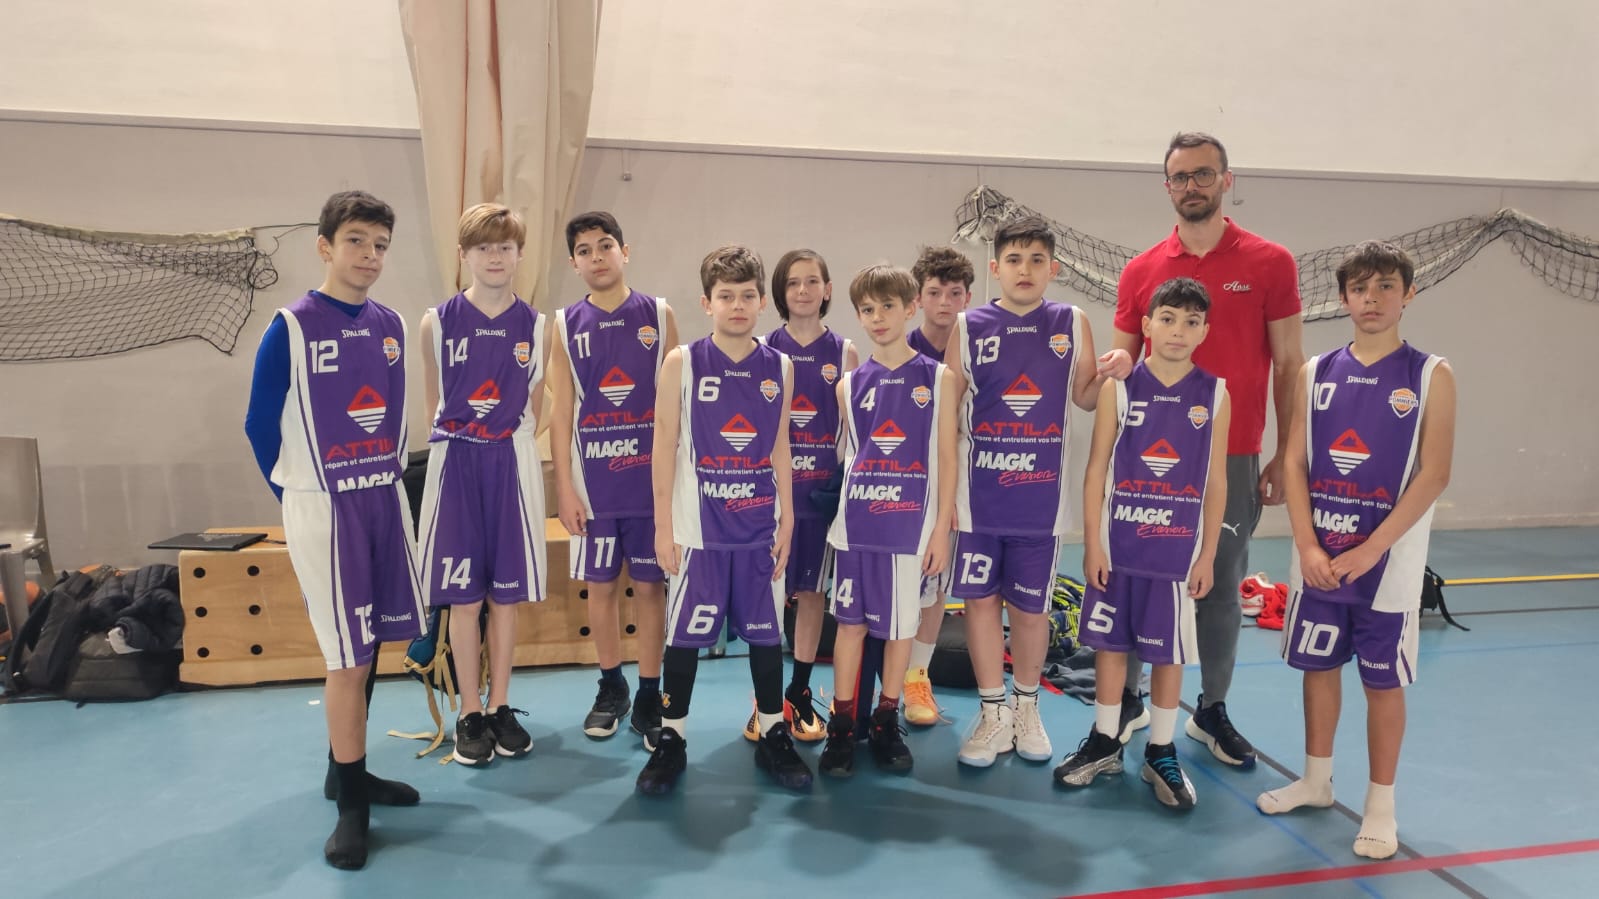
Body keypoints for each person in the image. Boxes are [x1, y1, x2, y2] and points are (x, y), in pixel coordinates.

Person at [243, 190, 426, 869]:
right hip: (323, 505)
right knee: (346, 658)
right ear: (324, 245)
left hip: (381, 497)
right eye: (355, 240)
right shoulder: (290, 327)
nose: (369, 255)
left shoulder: (391, 325)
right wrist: (298, 497)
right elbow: (259, 425)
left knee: (370, 643)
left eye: (380, 245)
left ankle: (342, 770)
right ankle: (353, 807)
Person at [1112, 132, 1305, 768]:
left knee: (1220, 583)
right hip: (1147, 462)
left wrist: (1285, 452)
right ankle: (1129, 700)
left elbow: (1289, 363)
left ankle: (1212, 710)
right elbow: (1121, 370)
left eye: (1203, 174)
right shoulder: (1141, 270)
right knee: (1139, 578)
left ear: (1227, 180)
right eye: (1180, 177)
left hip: (1233, 454)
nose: (1191, 186)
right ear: (1167, 186)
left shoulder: (1271, 262)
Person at [1256, 241, 1455, 859]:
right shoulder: (1316, 372)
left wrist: (1373, 550)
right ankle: (1316, 781)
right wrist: (1306, 544)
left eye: (1386, 286)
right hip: (1319, 557)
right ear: (1343, 298)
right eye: (1360, 288)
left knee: (1382, 683)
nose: (1373, 299)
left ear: (1408, 294)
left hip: (1386, 567)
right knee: (1317, 669)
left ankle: (1379, 807)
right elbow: (1293, 462)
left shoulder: (1431, 374)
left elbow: (1434, 473)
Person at [946, 216, 1130, 768]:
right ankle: (992, 711)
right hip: (978, 499)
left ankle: (1027, 707)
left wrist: (1117, 368)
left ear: (1053, 269)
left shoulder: (1070, 321)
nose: (1024, 270)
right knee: (980, 604)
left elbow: (1086, 397)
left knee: (1030, 611)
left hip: (1040, 502)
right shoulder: (969, 325)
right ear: (995, 268)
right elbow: (946, 413)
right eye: (1014, 260)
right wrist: (944, 498)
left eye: (1036, 260)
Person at [635, 245, 812, 795]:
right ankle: (671, 738)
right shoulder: (682, 362)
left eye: (747, 295)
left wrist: (788, 521)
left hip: (761, 527)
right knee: (684, 637)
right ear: (706, 303)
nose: (737, 305)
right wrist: (662, 527)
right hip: (698, 529)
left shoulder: (780, 366)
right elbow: (663, 446)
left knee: (766, 634)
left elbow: (780, 446)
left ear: (762, 302)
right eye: (726, 296)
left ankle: (774, 731)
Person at [1052, 277, 1229, 810]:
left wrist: (1208, 554)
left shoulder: (1215, 394)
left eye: (1191, 322)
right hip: (1119, 546)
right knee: (1110, 646)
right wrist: (1092, 544)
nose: (1178, 331)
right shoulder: (1120, 388)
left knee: (1167, 654)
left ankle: (1161, 750)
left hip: (1176, 554)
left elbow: (1215, 481)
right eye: (1168, 319)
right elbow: (1096, 469)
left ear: (1205, 331)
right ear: (1147, 324)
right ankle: (1106, 740)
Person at [415, 203, 550, 765]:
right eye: (483, 247)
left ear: (520, 254)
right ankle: (469, 711)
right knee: (464, 599)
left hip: (511, 463)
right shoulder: (436, 321)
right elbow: (434, 404)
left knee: (506, 597)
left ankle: (499, 705)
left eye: (505, 247)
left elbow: (535, 407)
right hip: (455, 463)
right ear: (463, 255)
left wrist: (505, 440)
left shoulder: (537, 326)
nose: (495, 257)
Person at [816, 264, 957, 777]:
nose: (878, 318)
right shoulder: (848, 385)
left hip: (908, 529)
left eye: (888, 307)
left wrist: (940, 530)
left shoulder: (937, 378)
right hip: (856, 527)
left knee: (899, 632)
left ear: (911, 307)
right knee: (850, 628)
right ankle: (841, 725)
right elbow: (851, 457)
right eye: (867, 310)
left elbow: (946, 458)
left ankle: (885, 720)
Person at [549, 212, 678, 749]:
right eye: (584, 250)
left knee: (650, 588)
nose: (596, 256)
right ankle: (611, 687)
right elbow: (561, 412)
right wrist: (564, 489)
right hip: (594, 484)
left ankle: (649, 692)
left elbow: (675, 406)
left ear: (625, 251)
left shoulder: (659, 315)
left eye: (605, 245)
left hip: (649, 485)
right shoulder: (564, 324)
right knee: (599, 587)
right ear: (573, 263)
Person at [745, 248, 857, 744]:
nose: (803, 290)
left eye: (812, 281)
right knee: (769, 598)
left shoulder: (845, 352)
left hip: (820, 498)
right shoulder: (763, 349)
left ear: (827, 289)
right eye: (793, 283)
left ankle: (799, 691)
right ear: (780, 292)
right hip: (772, 500)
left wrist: (844, 482)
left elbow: (852, 432)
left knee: (812, 596)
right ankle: (764, 699)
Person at [901, 246, 974, 727]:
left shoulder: (980, 347)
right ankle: (885, 679)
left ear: (968, 298)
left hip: (960, 481)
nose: (944, 302)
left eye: (954, 293)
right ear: (918, 298)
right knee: (899, 586)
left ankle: (916, 678)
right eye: (934, 292)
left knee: (936, 585)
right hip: (906, 484)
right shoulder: (900, 348)